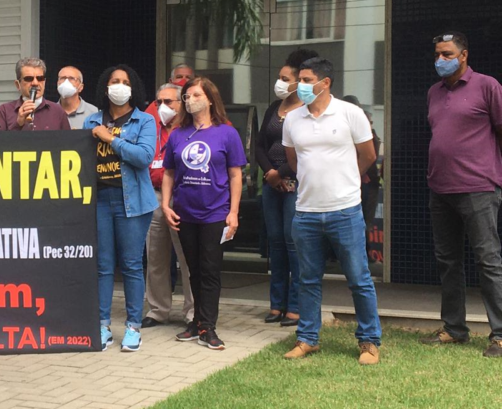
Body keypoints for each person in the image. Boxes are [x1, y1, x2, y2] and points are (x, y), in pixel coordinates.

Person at [281, 58, 382, 365]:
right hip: (306, 212)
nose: (301, 85)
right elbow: (294, 160)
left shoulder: (350, 113)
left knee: (359, 278)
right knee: (308, 278)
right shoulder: (292, 119)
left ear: (325, 83)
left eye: (307, 79)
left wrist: (345, 178)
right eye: (299, 79)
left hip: (345, 210)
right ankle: (308, 338)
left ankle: (369, 342)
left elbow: (368, 155)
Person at [420, 31, 502, 357]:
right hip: (440, 189)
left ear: (463, 55)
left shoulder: (487, 86)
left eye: (447, 54)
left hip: (479, 189)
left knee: (489, 261)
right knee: (448, 262)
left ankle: (499, 335)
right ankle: (455, 329)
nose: (440, 60)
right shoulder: (433, 92)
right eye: (437, 54)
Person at [162, 77, 246, 350]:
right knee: (193, 270)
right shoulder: (178, 134)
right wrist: (165, 204)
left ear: (210, 99)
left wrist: (233, 212)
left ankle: (208, 326)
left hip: (215, 213)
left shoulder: (226, 133)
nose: (190, 99)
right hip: (185, 213)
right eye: (187, 95)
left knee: (210, 270)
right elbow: (169, 173)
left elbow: (236, 175)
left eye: (196, 94)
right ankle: (197, 321)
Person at [84, 65, 157, 352]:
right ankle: (102, 326)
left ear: (133, 88)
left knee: (131, 265)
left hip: (134, 202)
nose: (120, 86)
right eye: (115, 81)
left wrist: (110, 138)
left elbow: (144, 157)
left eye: (125, 82)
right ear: (105, 87)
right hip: (99, 200)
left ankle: (132, 327)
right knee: (103, 267)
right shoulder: (90, 121)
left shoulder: (144, 121)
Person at [256, 48, 318, 328]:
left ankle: (295, 306)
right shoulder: (273, 107)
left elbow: (305, 149)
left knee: (294, 244)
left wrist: (281, 172)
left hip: (295, 184)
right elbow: (259, 144)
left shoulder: (307, 110)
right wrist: (269, 173)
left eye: (285, 78)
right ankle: (276, 304)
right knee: (276, 243)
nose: (279, 82)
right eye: (279, 77)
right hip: (271, 184)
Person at [142, 83, 194, 328]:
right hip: (153, 196)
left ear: (181, 103)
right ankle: (158, 310)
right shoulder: (150, 128)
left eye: (169, 102)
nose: (163, 107)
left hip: (183, 197)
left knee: (188, 257)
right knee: (156, 257)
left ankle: (193, 312)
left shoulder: (189, 129)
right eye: (159, 102)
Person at [342, 95, 382, 262]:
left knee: (363, 221)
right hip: (349, 183)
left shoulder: (366, 132)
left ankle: (363, 253)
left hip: (365, 183)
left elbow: (370, 155)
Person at [0, 58, 70, 131]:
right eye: (29, 79)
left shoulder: (57, 111)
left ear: (44, 82)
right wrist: (18, 124)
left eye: (40, 78)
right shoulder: (4, 111)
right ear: (17, 84)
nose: (35, 83)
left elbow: (68, 143)